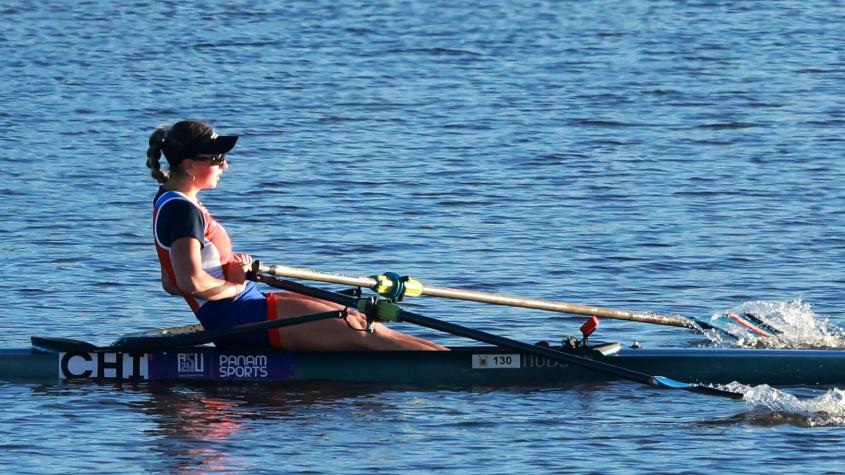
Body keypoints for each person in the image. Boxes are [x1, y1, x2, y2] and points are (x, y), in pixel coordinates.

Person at [146, 120, 445, 351]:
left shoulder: (170, 202)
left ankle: (452, 360)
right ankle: (467, 369)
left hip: (241, 307)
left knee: (358, 318)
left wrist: (231, 276)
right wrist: (234, 285)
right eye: (216, 158)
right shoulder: (182, 211)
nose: (225, 165)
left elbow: (171, 282)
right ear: (187, 165)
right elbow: (190, 282)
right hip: (237, 316)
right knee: (363, 331)